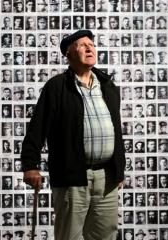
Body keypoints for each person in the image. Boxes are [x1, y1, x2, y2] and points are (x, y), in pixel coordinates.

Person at [21, 30, 125, 240]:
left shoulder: (108, 86)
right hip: (72, 176)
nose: (89, 48)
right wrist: (30, 166)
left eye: (92, 45)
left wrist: (119, 168)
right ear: (68, 54)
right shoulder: (57, 86)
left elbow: (116, 130)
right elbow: (37, 128)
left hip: (106, 178)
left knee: (106, 235)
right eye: (82, 45)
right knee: (69, 236)